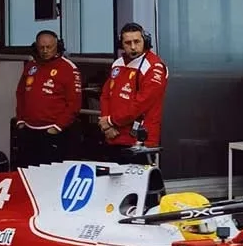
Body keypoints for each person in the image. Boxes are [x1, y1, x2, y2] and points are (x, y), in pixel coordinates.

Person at [98, 22, 167, 161]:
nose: (133, 47)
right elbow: (106, 95)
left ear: (145, 41)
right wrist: (107, 126)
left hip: (140, 142)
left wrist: (110, 121)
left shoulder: (154, 66)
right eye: (128, 43)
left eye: (137, 41)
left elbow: (141, 103)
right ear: (121, 44)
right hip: (113, 136)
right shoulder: (118, 63)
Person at [13, 29, 82, 166]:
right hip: (28, 130)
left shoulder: (68, 68)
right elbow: (20, 93)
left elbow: (74, 104)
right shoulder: (31, 66)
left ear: (57, 46)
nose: (45, 51)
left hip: (53, 132)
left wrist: (58, 127)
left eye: (49, 47)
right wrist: (20, 120)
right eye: (41, 47)